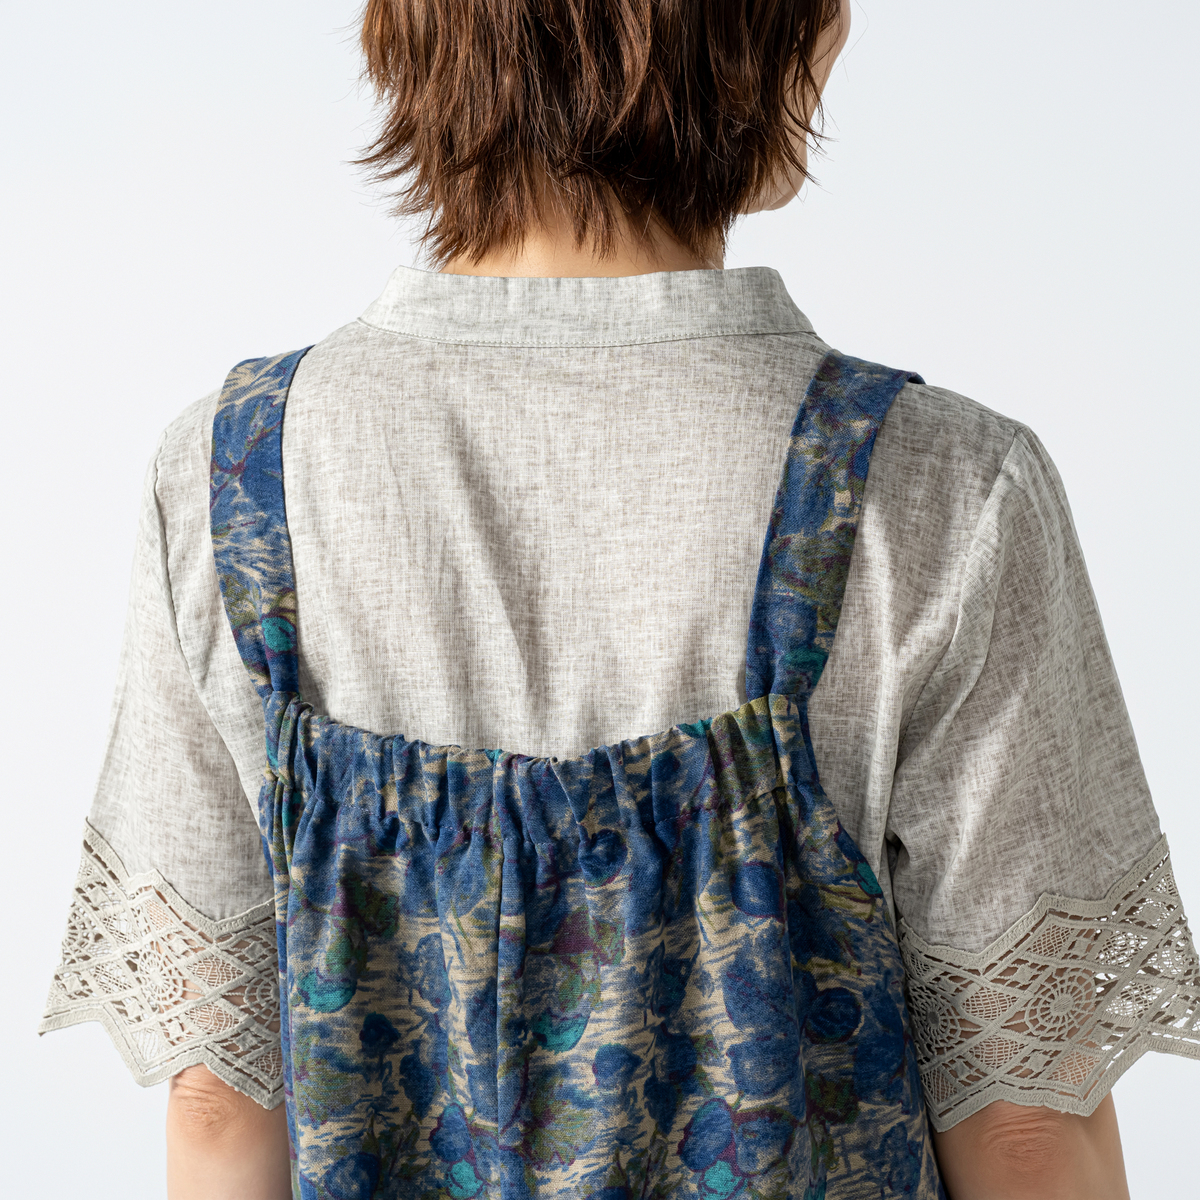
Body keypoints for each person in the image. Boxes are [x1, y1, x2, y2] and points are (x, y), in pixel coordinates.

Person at [38, 1, 1200, 1197]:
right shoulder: (940, 486)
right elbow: (1024, 1126)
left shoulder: (230, 476)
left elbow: (220, 1102)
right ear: (753, 39)